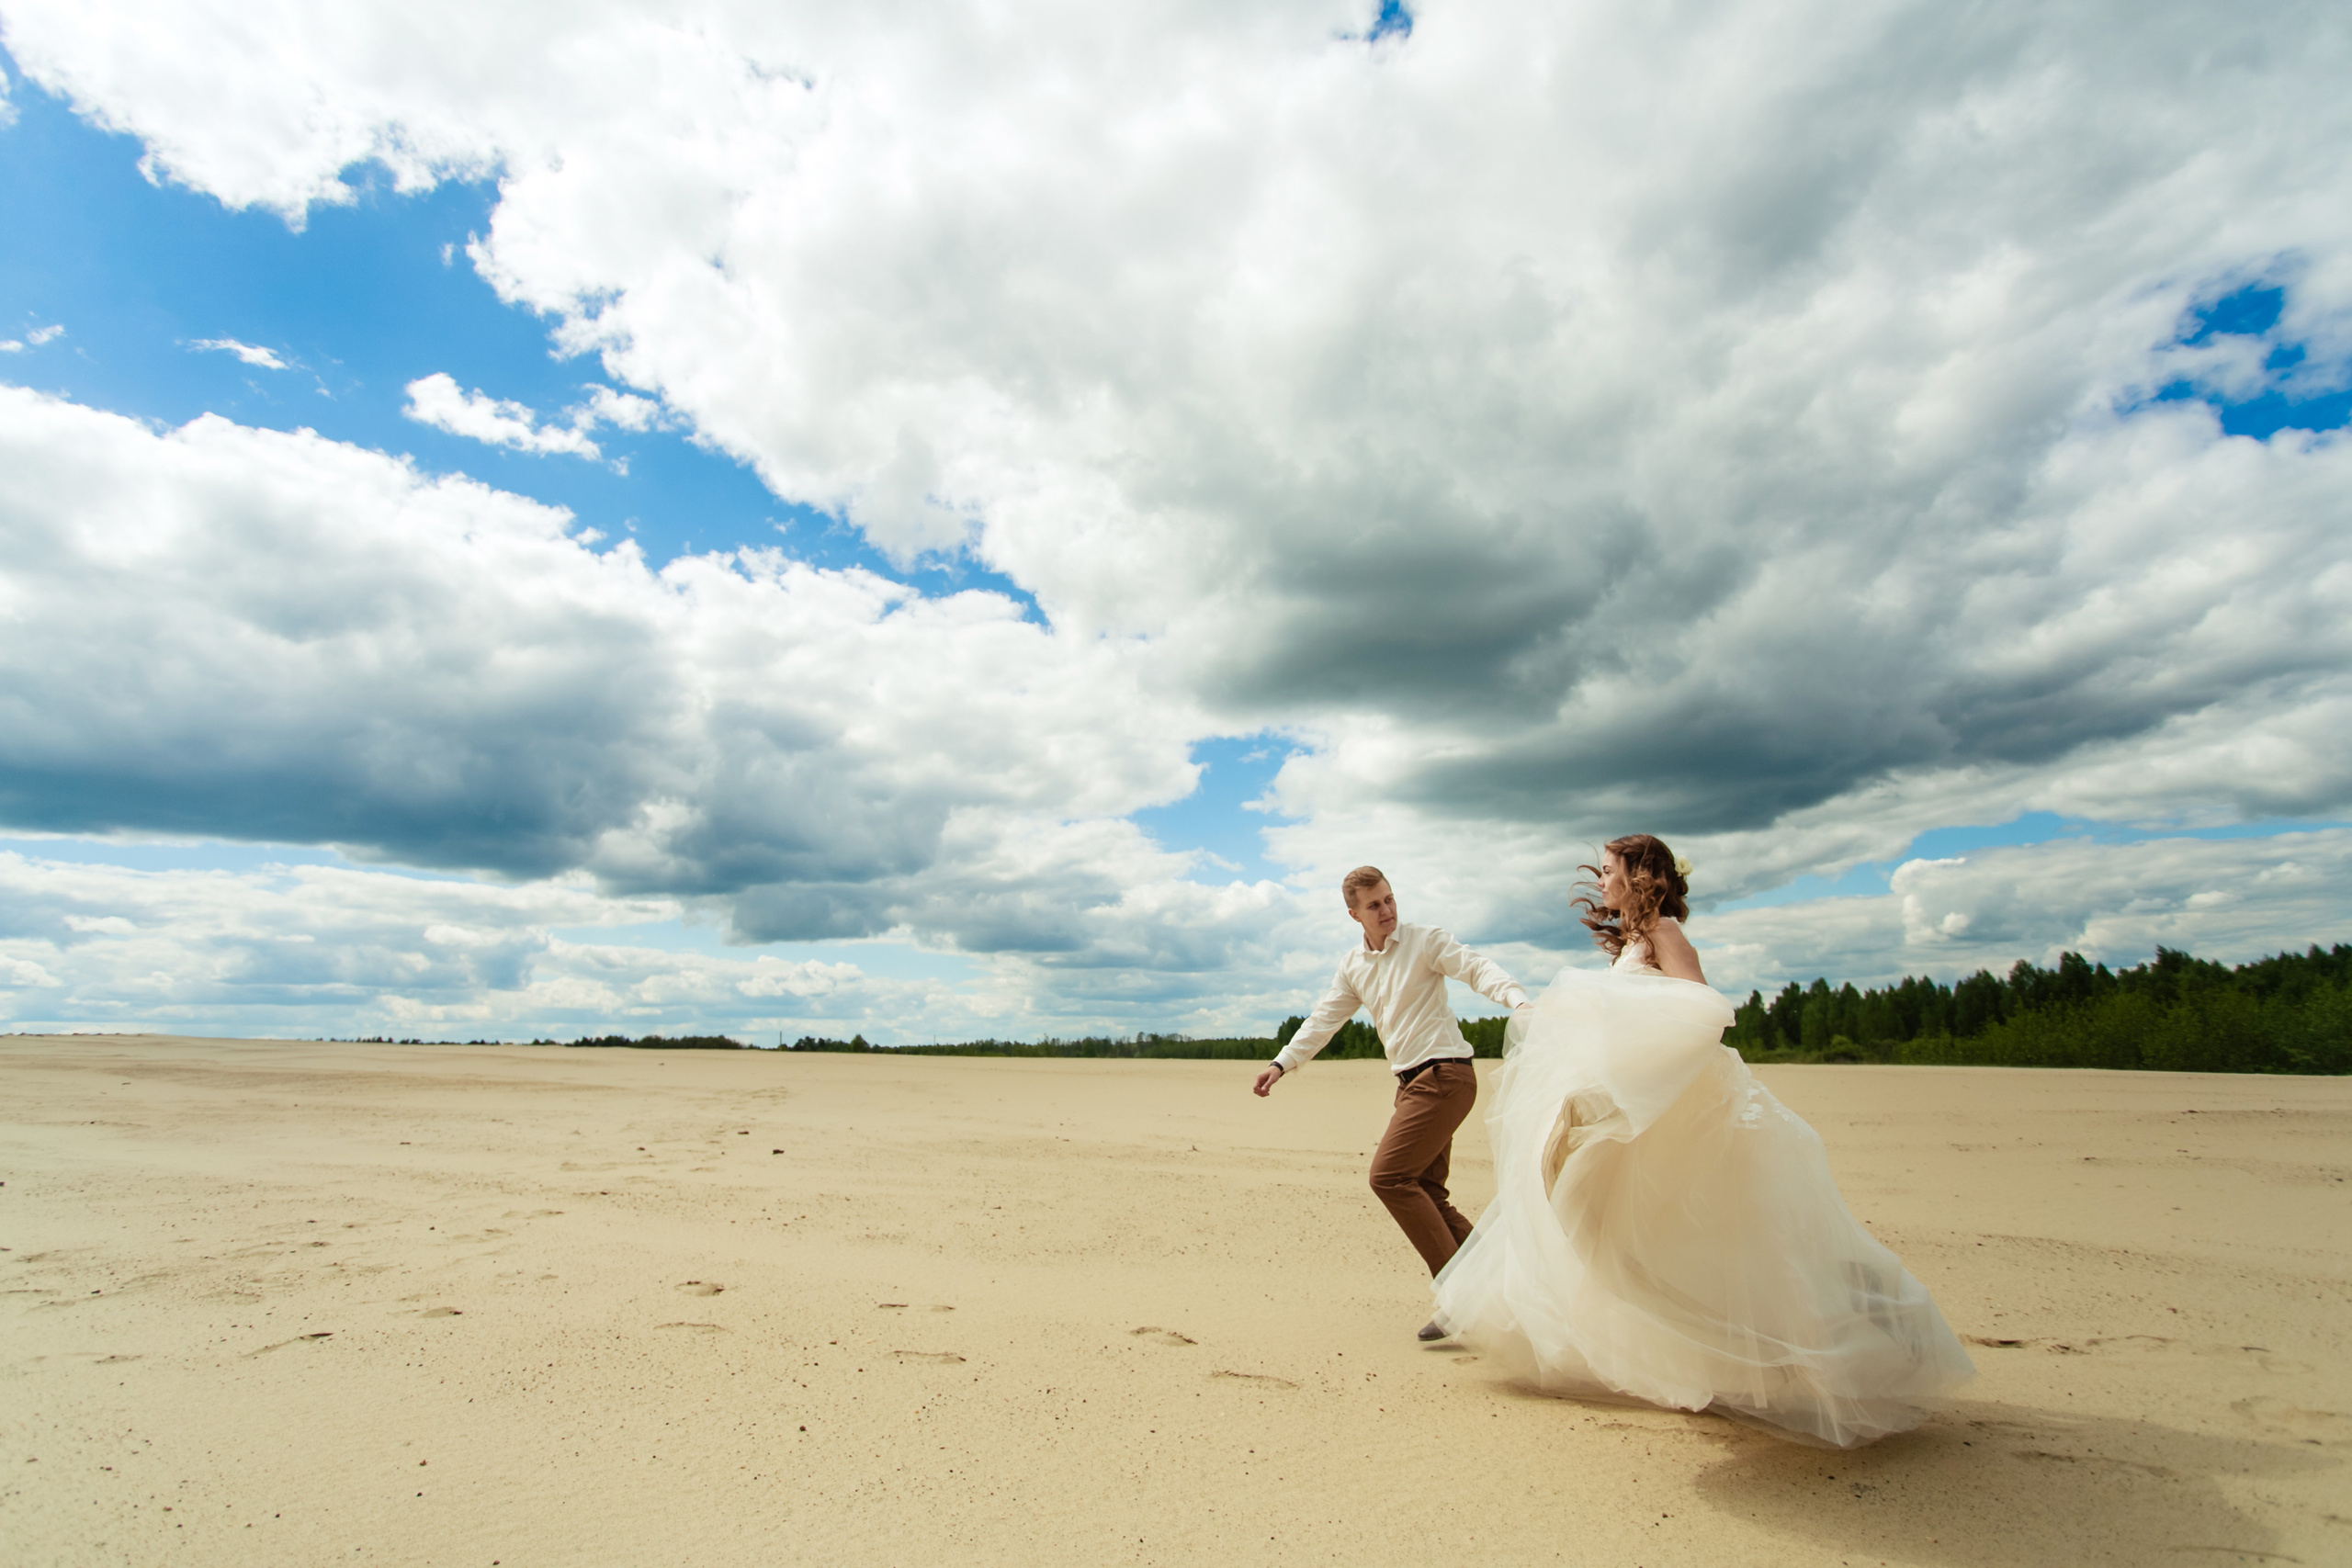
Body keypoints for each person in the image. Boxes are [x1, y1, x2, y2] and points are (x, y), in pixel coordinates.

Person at [1429, 834, 1975, 1448]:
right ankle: (1688, 1349)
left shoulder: (1665, 934)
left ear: (1642, 876)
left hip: (1684, 1109)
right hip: (1639, 1108)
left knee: (1727, 1241)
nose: (1600, 880)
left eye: (1609, 870)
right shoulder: (1636, 940)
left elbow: (1703, 1011)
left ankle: (1869, 1327)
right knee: (1610, 1225)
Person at [1253, 865, 1533, 1338]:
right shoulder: (1354, 966)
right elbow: (1325, 1019)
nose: (1386, 910)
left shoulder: (1425, 941)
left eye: (1389, 899)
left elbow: (1475, 966)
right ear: (1354, 914)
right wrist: (1281, 1063)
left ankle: (1460, 1299)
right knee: (1426, 1191)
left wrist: (1517, 999)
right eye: (1373, 905)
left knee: (1388, 1176)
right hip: (1411, 1086)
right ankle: (1502, 1287)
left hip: (1445, 1075)